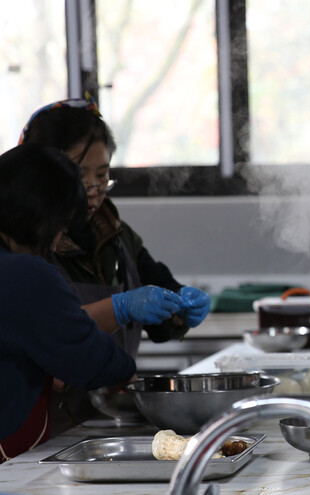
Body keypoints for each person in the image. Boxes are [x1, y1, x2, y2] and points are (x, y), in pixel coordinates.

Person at [19, 95, 211, 433]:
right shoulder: (26, 248)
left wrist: (181, 305)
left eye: (103, 175)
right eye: (79, 177)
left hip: (110, 421)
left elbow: (161, 295)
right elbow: (51, 333)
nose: (93, 191)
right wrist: (120, 308)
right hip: (41, 428)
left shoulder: (118, 238)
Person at [0, 143, 137, 462]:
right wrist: (127, 371)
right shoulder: (23, 274)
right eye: (60, 226)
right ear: (38, 214)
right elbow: (87, 359)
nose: (60, 239)